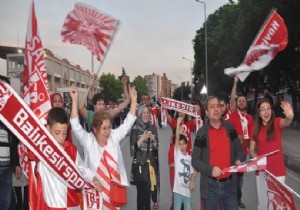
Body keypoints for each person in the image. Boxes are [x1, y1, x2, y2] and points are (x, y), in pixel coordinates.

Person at [70, 84, 137, 210]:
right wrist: (74, 100)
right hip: (95, 197)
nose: (107, 132)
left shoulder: (114, 137)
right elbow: (75, 125)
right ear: (95, 129)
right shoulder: (88, 141)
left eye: (109, 127)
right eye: (104, 128)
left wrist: (133, 101)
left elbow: (129, 122)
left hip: (113, 196)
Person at [28, 107, 97, 209]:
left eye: (64, 133)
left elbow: (81, 169)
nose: (61, 137)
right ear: (48, 128)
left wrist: (93, 178)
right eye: (57, 133)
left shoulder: (71, 149)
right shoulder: (40, 150)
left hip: (70, 204)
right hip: (48, 205)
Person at [192, 96, 244, 210]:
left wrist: (239, 159)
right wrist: (210, 170)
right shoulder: (202, 133)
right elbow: (195, 160)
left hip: (230, 185)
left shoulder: (230, 128)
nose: (216, 109)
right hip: (210, 187)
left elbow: (239, 150)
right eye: (212, 107)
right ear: (206, 112)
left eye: (218, 106)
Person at [249, 98, 294, 209]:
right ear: (259, 113)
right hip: (262, 172)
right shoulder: (254, 128)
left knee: (278, 204)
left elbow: (286, 121)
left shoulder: (277, 122)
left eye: (268, 108)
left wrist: (290, 116)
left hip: (278, 172)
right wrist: (256, 158)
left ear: (271, 111)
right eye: (263, 109)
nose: (266, 111)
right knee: (263, 204)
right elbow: (251, 151)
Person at [227, 76, 253, 209]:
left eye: (243, 101)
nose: (241, 102)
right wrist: (235, 83)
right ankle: (231, 199)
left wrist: (251, 151)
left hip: (242, 153)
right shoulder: (233, 113)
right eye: (239, 101)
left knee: (240, 178)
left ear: (246, 103)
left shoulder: (249, 118)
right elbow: (232, 98)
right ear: (236, 103)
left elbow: (252, 137)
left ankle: (238, 199)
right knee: (231, 176)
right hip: (231, 151)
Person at [130, 103, 160, 210]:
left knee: (148, 194)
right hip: (139, 166)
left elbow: (157, 147)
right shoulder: (135, 128)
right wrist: (142, 138)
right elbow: (132, 149)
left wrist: (154, 140)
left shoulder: (153, 128)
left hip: (150, 165)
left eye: (148, 113)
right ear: (140, 114)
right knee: (140, 195)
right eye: (144, 113)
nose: (146, 115)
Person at [0, 76, 21, 210]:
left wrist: (16, 164)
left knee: (5, 203)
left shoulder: (11, 116)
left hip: (7, 168)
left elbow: (14, 142)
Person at [173, 117, 197, 210]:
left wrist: (192, 182)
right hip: (178, 191)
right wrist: (178, 124)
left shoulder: (189, 158)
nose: (182, 146)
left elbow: (195, 171)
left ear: (187, 144)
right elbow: (177, 138)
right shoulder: (177, 154)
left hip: (187, 192)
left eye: (184, 144)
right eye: (180, 144)